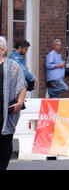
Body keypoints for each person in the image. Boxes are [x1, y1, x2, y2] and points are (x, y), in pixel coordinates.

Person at [0, 36, 27, 170]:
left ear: (1, 50)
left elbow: (22, 86)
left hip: (6, 113)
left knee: (5, 144)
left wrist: (20, 102)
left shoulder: (12, 66)